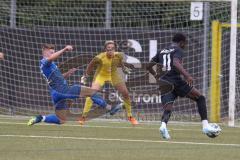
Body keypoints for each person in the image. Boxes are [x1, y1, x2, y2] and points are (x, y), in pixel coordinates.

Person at [147, 33, 221, 139]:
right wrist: (187, 76)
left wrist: (156, 76)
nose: (185, 45)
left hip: (164, 82)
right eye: (185, 43)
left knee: (168, 107)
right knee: (200, 98)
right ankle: (205, 126)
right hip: (176, 81)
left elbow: (148, 66)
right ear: (181, 42)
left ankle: (163, 126)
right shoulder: (178, 50)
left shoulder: (161, 51)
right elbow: (176, 63)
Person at [27, 44, 121, 126]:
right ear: (44, 52)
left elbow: (59, 78)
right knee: (91, 92)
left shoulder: (52, 65)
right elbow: (51, 58)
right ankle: (110, 108)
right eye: (51, 52)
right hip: (63, 90)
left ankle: (40, 118)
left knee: (61, 119)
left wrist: (68, 73)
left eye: (53, 52)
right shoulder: (44, 62)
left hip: (56, 93)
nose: (52, 54)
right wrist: (64, 49)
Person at [79, 40, 138, 125]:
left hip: (113, 75)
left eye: (112, 49)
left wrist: (124, 68)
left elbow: (120, 62)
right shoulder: (99, 57)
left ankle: (130, 117)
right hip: (101, 76)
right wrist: (85, 76)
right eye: (108, 49)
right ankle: (83, 117)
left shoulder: (119, 55)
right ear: (105, 49)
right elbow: (90, 65)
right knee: (91, 94)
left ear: (115, 49)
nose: (110, 50)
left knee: (125, 93)